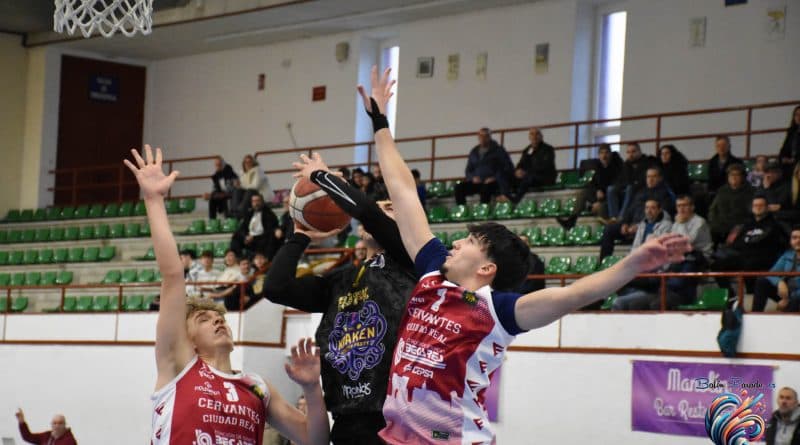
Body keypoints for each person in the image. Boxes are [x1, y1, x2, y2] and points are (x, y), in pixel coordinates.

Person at [358, 66, 690, 444]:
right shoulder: (433, 271)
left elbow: (573, 295)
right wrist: (380, 121)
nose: (456, 243)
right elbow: (402, 190)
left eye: (468, 241)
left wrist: (634, 263)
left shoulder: (497, 312)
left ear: (486, 267)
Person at [123, 145, 329, 445]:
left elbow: (316, 441)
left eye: (219, 317)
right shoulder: (180, 365)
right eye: (204, 319)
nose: (218, 321)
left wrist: (312, 390)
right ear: (187, 339)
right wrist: (154, 200)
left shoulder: (257, 386)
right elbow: (172, 276)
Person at [262, 152, 418, 445]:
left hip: (397, 419)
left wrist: (324, 177)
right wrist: (300, 234)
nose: (381, 211)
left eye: (390, 208)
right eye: (380, 206)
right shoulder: (342, 279)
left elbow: (369, 212)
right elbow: (276, 287)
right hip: (346, 422)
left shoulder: (412, 264)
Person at [712, 195, 787, 296]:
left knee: (749, 266)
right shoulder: (747, 224)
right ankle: (730, 295)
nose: (758, 207)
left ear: (767, 207)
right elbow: (737, 243)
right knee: (717, 265)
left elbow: (779, 244)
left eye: (761, 205)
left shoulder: (775, 225)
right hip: (744, 256)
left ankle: (751, 295)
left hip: (763, 258)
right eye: (755, 205)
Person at [599, 167, 675, 259]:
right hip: (631, 226)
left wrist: (639, 226)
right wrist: (625, 223)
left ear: (660, 178)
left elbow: (660, 216)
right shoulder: (640, 192)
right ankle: (604, 261)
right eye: (648, 177)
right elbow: (630, 210)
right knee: (609, 229)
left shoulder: (665, 194)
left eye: (654, 176)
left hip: (649, 228)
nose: (650, 179)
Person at [453, 127, 513, 204]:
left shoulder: (498, 150)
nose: (483, 138)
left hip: (492, 182)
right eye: (481, 136)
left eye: (486, 136)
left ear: (490, 137)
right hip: (477, 182)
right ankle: (462, 209)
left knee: (486, 190)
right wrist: (472, 177)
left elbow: (508, 167)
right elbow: (468, 170)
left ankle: (483, 209)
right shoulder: (474, 151)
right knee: (459, 188)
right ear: (478, 137)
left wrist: (494, 178)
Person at [753, 226, 800, 312]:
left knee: (796, 298)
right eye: (794, 238)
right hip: (786, 292)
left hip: (796, 295)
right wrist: (779, 282)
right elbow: (771, 274)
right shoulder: (787, 255)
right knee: (762, 281)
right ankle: (755, 314)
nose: (798, 241)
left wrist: (788, 299)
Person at [708, 163, 755, 245]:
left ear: (743, 177)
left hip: (739, 227)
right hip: (719, 226)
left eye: (737, 175)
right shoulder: (722, 190)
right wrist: (713, 223)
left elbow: (751, 213)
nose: (733, 177)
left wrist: (740, 227)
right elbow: (713, 209)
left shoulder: (750, 192)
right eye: (731, 175)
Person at [606, 142, 656, 219]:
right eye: (628, 152)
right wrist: (619, 186)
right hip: (627, 189)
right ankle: (613, 217)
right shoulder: (626, 165)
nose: (630, 154)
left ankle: (621, 217)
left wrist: (631, 184)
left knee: (630, 188)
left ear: (639, 152)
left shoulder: (647, 163)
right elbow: (620, 180)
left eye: (633, 152)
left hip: (640, 189)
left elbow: (644, 181)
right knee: (610, 189)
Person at [510, 127, 556, 202]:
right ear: (529, 137)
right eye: (532, 134)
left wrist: (526, 172)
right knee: (509, 178)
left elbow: (545, 166)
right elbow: (520, 164)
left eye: (537, 134)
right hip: (529, 176)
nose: (534, 136)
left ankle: (516, 200)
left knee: (528, 178)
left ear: (541, 136)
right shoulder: (527, 150)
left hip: (544, 177)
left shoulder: (548, 149)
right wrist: (518, 171)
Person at [230, 193, 280, 260]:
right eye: (254, 201)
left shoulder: (269, 214)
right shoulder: (249, 214)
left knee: (270, 238)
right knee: (236, 236)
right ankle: (240, 258)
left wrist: (254, 237)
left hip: (261, 239)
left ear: (262, 201)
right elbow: (242, 228)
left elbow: (270, 230)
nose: (256, 203)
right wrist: (245, 236)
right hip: (249, 238)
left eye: (258, 201)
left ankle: (266, 259)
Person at [778, 105, 800, 179]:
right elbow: (783, 150)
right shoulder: (791, 132)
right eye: (796, 115)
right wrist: (783, 158)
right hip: (789, 164)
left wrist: (793, 160)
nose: (798, 117)